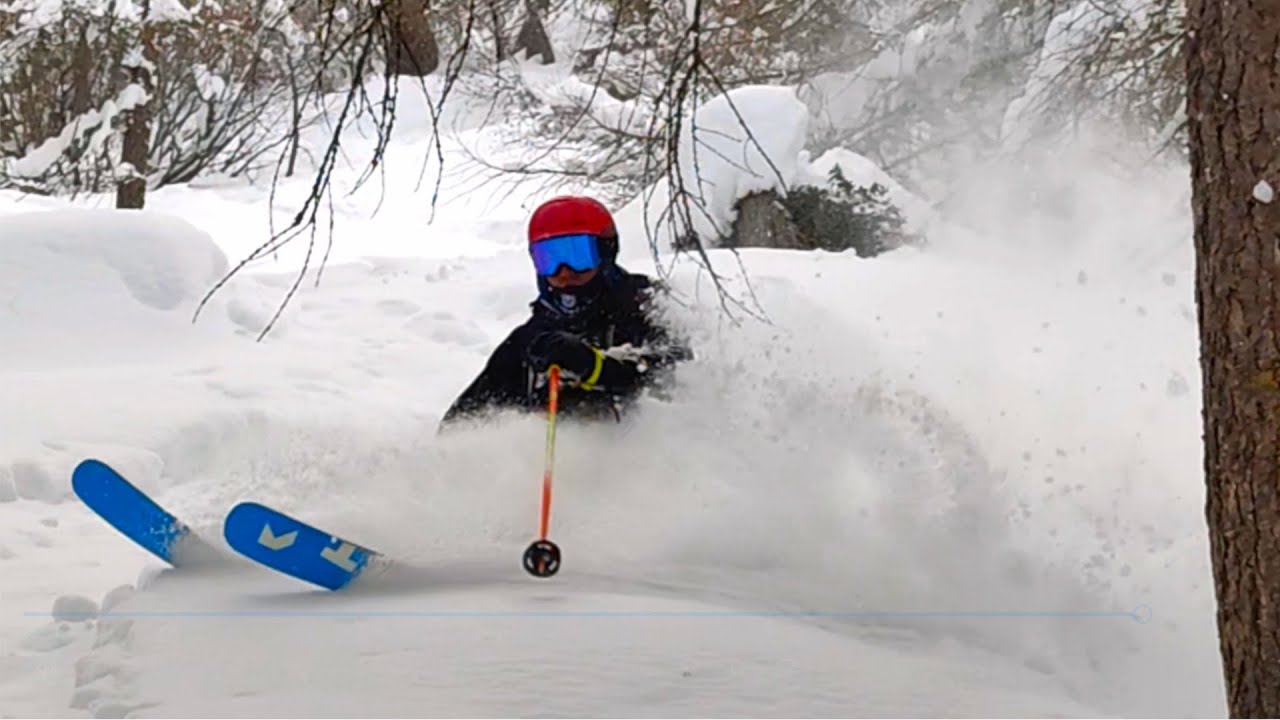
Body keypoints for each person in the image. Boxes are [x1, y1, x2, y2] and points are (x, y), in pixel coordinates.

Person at [439, 196, 692, 430]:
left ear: (605, 252)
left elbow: (684, 380)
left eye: (577, 255)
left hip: (649, 462)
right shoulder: (533, 338)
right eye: (549, 258)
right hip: (558, 470)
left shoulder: (646, 303)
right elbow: (461, 425)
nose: (564, 271)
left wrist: (595, 367)